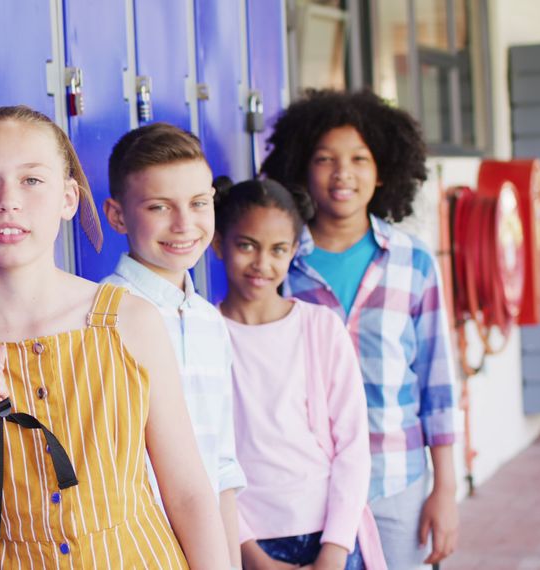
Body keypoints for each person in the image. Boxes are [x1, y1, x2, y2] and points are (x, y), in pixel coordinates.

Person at [0, 105, 230, 568]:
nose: (9, 201)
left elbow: (190, 493)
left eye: (32, 180)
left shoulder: (130, 321)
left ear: (69, 199)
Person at [261, 89, 459, 569]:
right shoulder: (279, 264)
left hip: (396, 480)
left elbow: (436, 384)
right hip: (308, 484)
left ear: (384, 168)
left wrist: (445, 489)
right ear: (302, 169)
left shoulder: (412, 262)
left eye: (359, 158)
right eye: (325, 159)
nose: (342, 173)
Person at [213, 178, 385, 570]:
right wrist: (249, 553)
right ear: (218, 243)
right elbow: (200, 456)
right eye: (246, 246)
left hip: (329, 533)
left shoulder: (320, 326)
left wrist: (336, 549)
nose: (262, 264)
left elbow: (353, 447)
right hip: (247, 540)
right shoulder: (204, 332)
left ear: (294, 250)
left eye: (278, 250)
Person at [100, 123, 246, 568]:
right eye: (159, 207)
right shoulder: (100, 316)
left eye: (199, 203)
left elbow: (220, 465)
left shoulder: (208, 321)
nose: (185, 224)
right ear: (118, 215)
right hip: (135, 552)